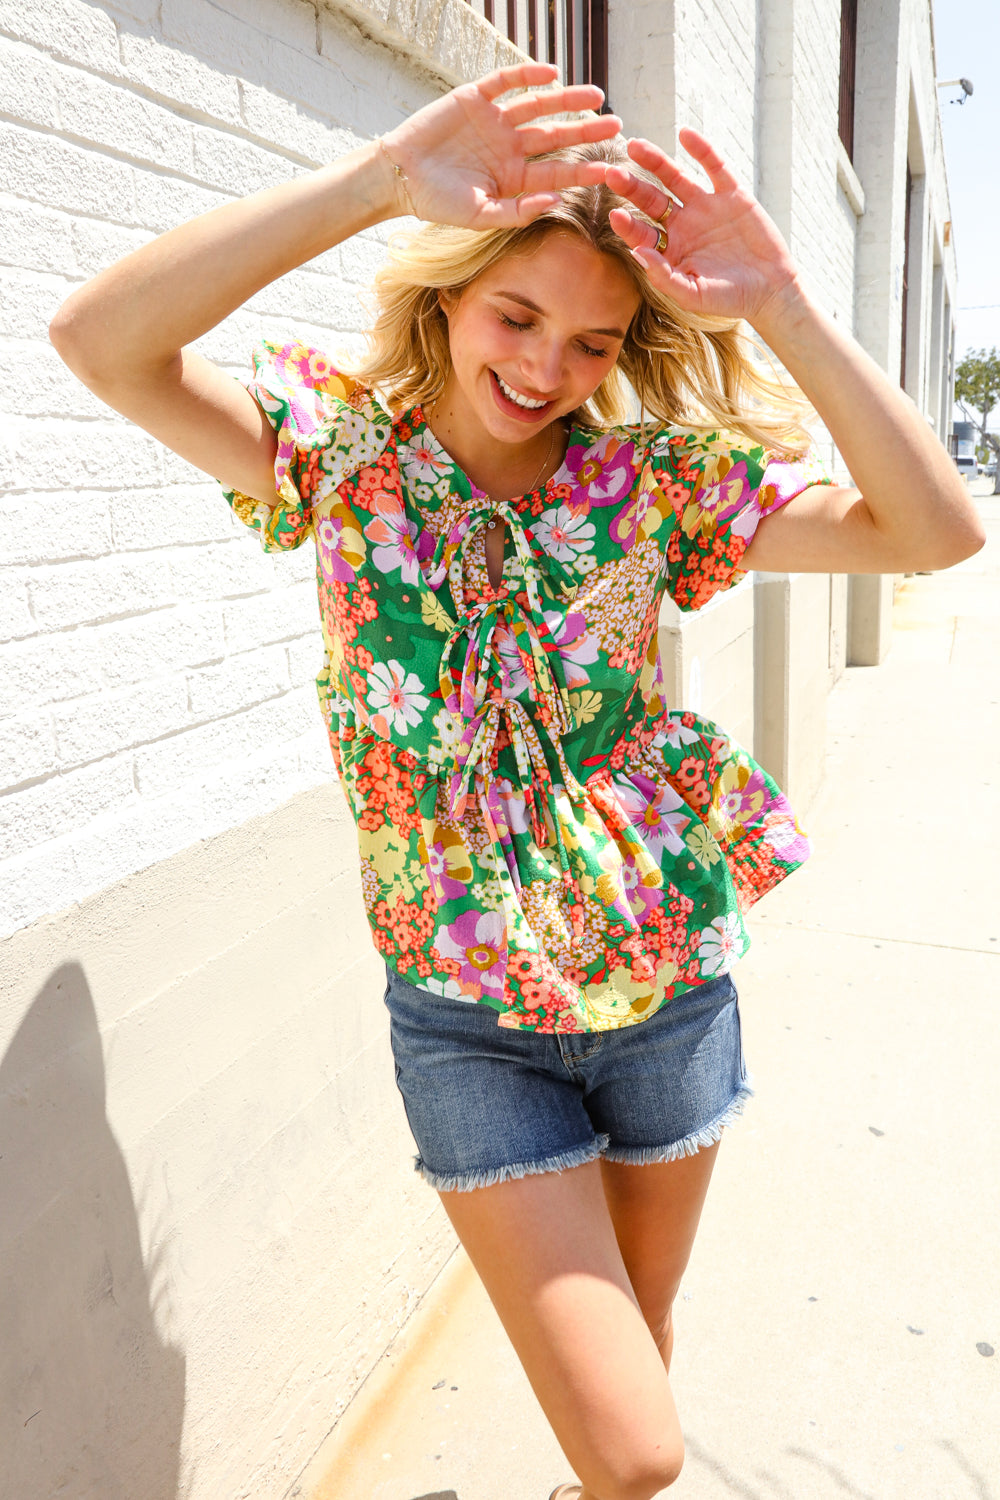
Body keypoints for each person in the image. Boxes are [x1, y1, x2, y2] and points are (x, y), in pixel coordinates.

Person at [51, 61, 983, 1500]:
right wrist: (374, 182)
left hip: (668, 987)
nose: (549, 366)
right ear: (448, 298)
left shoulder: (649, 490)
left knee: (636, 1363)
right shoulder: (341, 462)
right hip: (469, 1024)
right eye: (518, 315)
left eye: (595, 342)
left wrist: (786, 301)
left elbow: (932, 533)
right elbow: (100, 341)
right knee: (638, 1448)